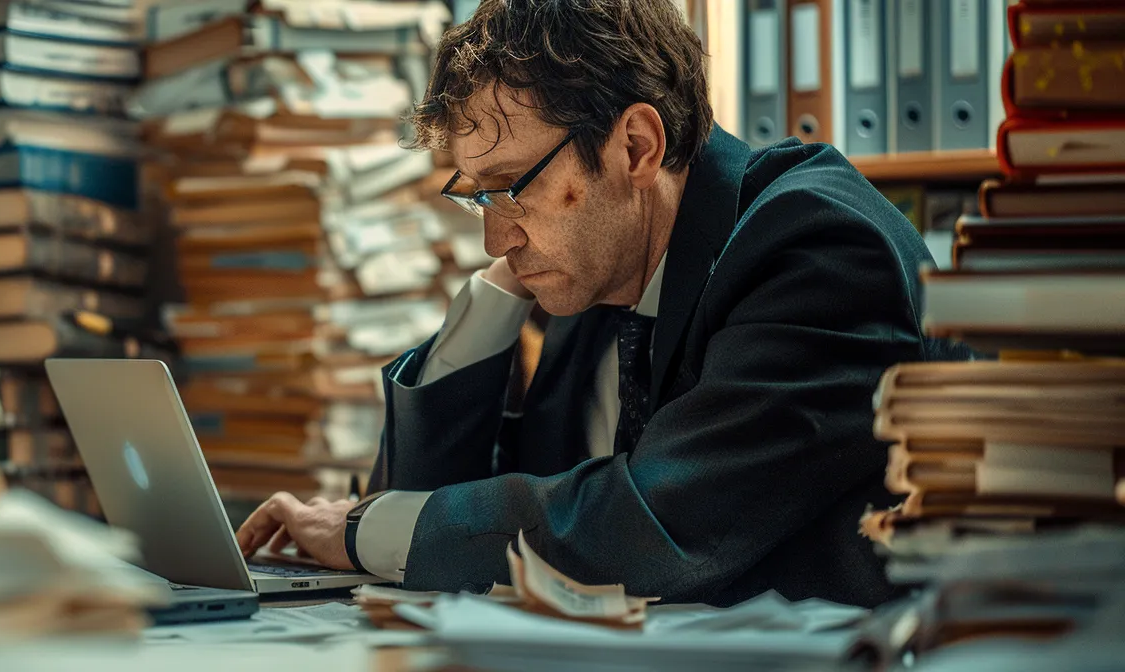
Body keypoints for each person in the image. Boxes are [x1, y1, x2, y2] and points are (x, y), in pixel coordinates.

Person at [233, 0, 954, 608]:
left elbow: (651, 524)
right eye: (477, 195)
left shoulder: (819, 250)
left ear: (636, 147)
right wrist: (489, 305)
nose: (493, 238)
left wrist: (365, 528)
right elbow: (444, 545)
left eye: (512, 185)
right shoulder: (603, 279)